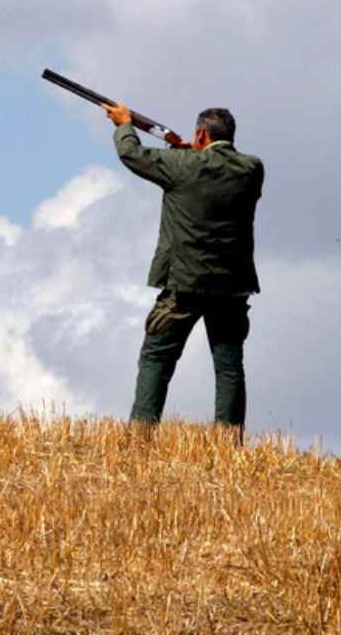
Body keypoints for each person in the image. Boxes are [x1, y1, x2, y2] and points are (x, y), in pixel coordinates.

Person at [103, 101, 263, 434]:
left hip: (183, 283)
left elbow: (133, 156)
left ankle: (140, 437)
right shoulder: (251, 169)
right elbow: (214, 168)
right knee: (229, 366)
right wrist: (192, 152)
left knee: (156, 358)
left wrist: (123, 125)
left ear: (201, 133)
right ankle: (229, 441)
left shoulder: (181, 165)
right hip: (232, 284)